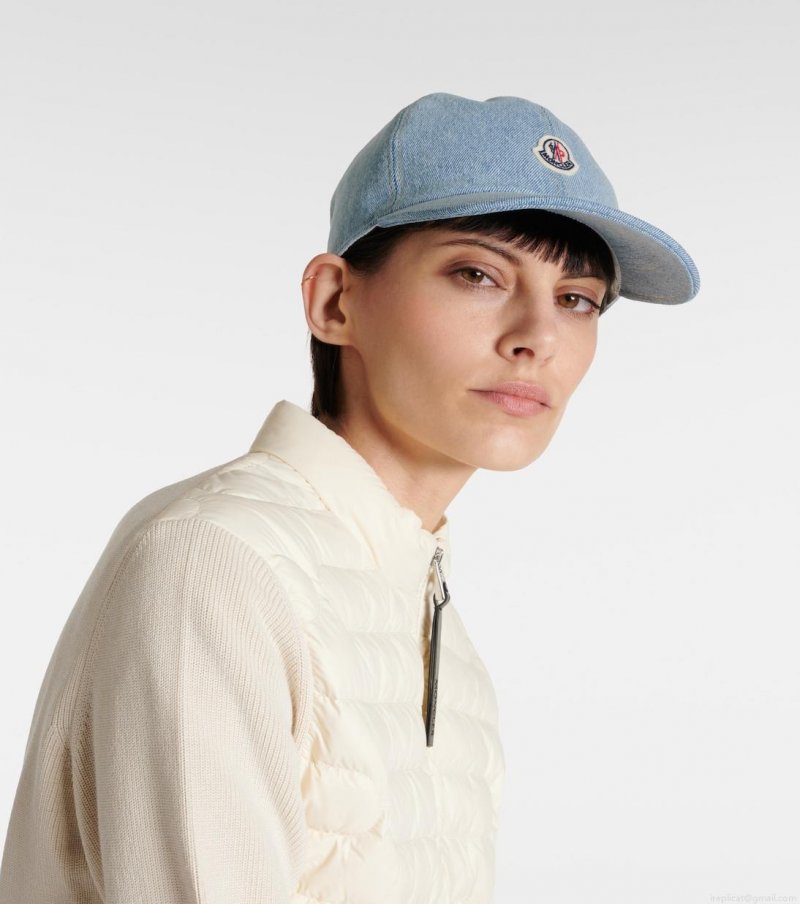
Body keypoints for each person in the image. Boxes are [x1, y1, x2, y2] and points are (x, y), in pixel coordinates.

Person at [0, 92, 699, 903]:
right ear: (335, 301)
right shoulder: (218, 563)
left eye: (577, 298)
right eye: (477, 274)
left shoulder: (442, 642)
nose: (537, 336)